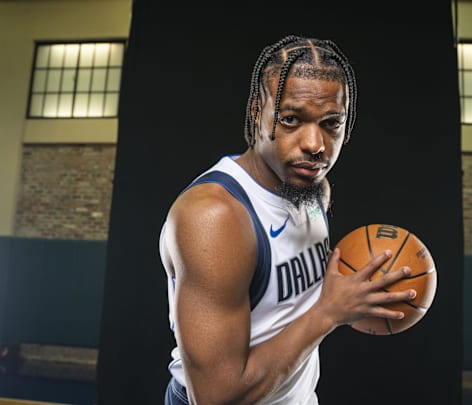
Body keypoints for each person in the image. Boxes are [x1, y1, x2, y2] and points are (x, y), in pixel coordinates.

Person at [159, 34, 417, 405]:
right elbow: (215, 398)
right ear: (256, 111)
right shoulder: (214, 217)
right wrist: (329, 312)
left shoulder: (314, 189)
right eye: (291, 119)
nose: (315, 144)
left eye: (332, 124)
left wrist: (358, 292)